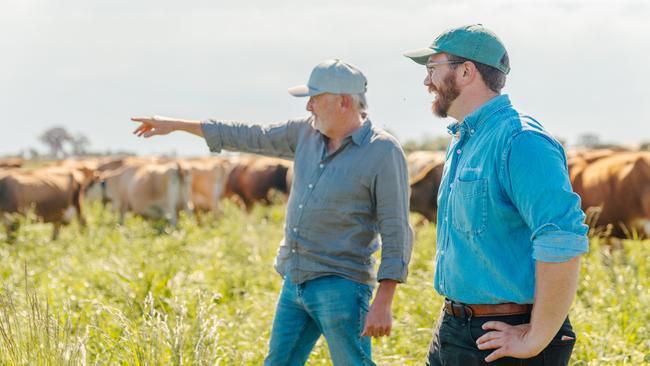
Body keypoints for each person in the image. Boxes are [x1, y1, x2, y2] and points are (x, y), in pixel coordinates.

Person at [131, 59, 413, 366]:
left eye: (315, 98)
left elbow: (396, 227)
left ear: (344, 101)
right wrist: (177, 125)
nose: (309, 107)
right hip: (295, 280)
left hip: (341, 286)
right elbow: (248, 134)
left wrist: (384, 299)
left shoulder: (383, 152)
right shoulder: (304, 134)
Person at [403, 24, 589, 365]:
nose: (426, 81)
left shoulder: (521, 140)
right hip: (456, 329)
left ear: (466, 71)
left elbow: (562, 239)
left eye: (432, 69)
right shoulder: (463, 140)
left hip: (504, 335)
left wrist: (536, 338)